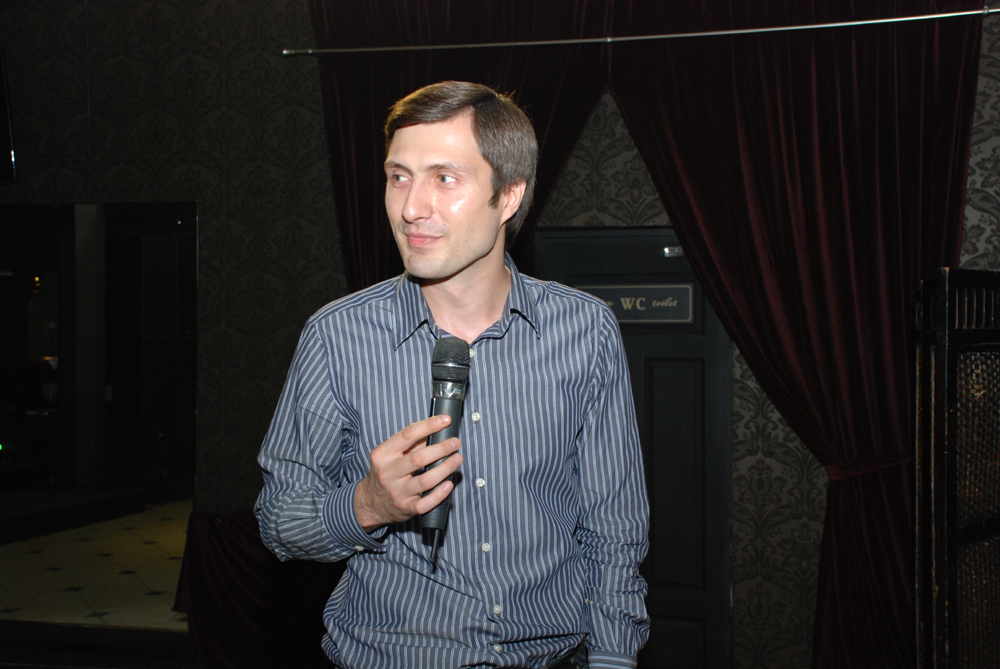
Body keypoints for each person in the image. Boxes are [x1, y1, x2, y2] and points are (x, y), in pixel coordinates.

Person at [254, 81, 649, 669]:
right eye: (398, 177)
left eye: (444, 178)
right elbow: (279, 521)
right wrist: (366, 504)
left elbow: (615, 531)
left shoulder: (584, 331)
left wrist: (614, 659)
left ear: (508, 196)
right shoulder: (336, 337)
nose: (411, 207)